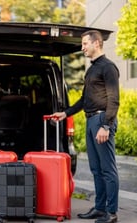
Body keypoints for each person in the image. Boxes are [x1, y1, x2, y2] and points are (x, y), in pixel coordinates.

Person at [52, 30, 119, 223]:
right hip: (91, 120)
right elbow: (84, 99)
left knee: (108, 169)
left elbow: (114, 100)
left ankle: (111, 212)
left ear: (96, 43)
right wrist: (65, 113)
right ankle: (99, 208)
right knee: (96, 169)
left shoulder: (108, 67)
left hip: (101, 120)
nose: (82, 48)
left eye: (84, 44)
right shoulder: (91, 69)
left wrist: (106, 126)